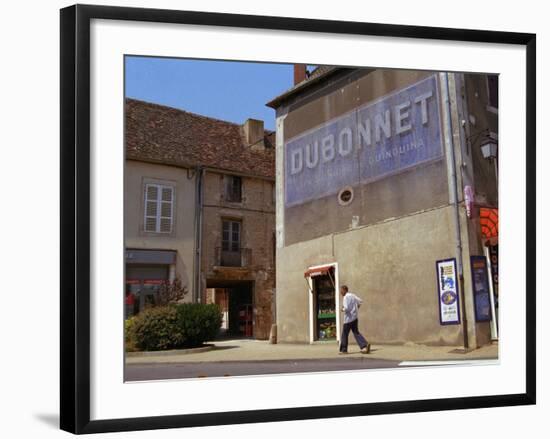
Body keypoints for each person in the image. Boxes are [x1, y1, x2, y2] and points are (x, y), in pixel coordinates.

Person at [339, 285, 370, 354]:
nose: (340, 292)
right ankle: (364, 345)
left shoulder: (345, 297)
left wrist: (342, 309)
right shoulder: (352, 295)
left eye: (341, 291)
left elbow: (346, 308)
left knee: (344, 334)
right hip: (354, 318)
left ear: (344, 290)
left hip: (348, 319)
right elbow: (360, 301)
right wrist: (356, 309)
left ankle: (344, 350)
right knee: (356, 332)